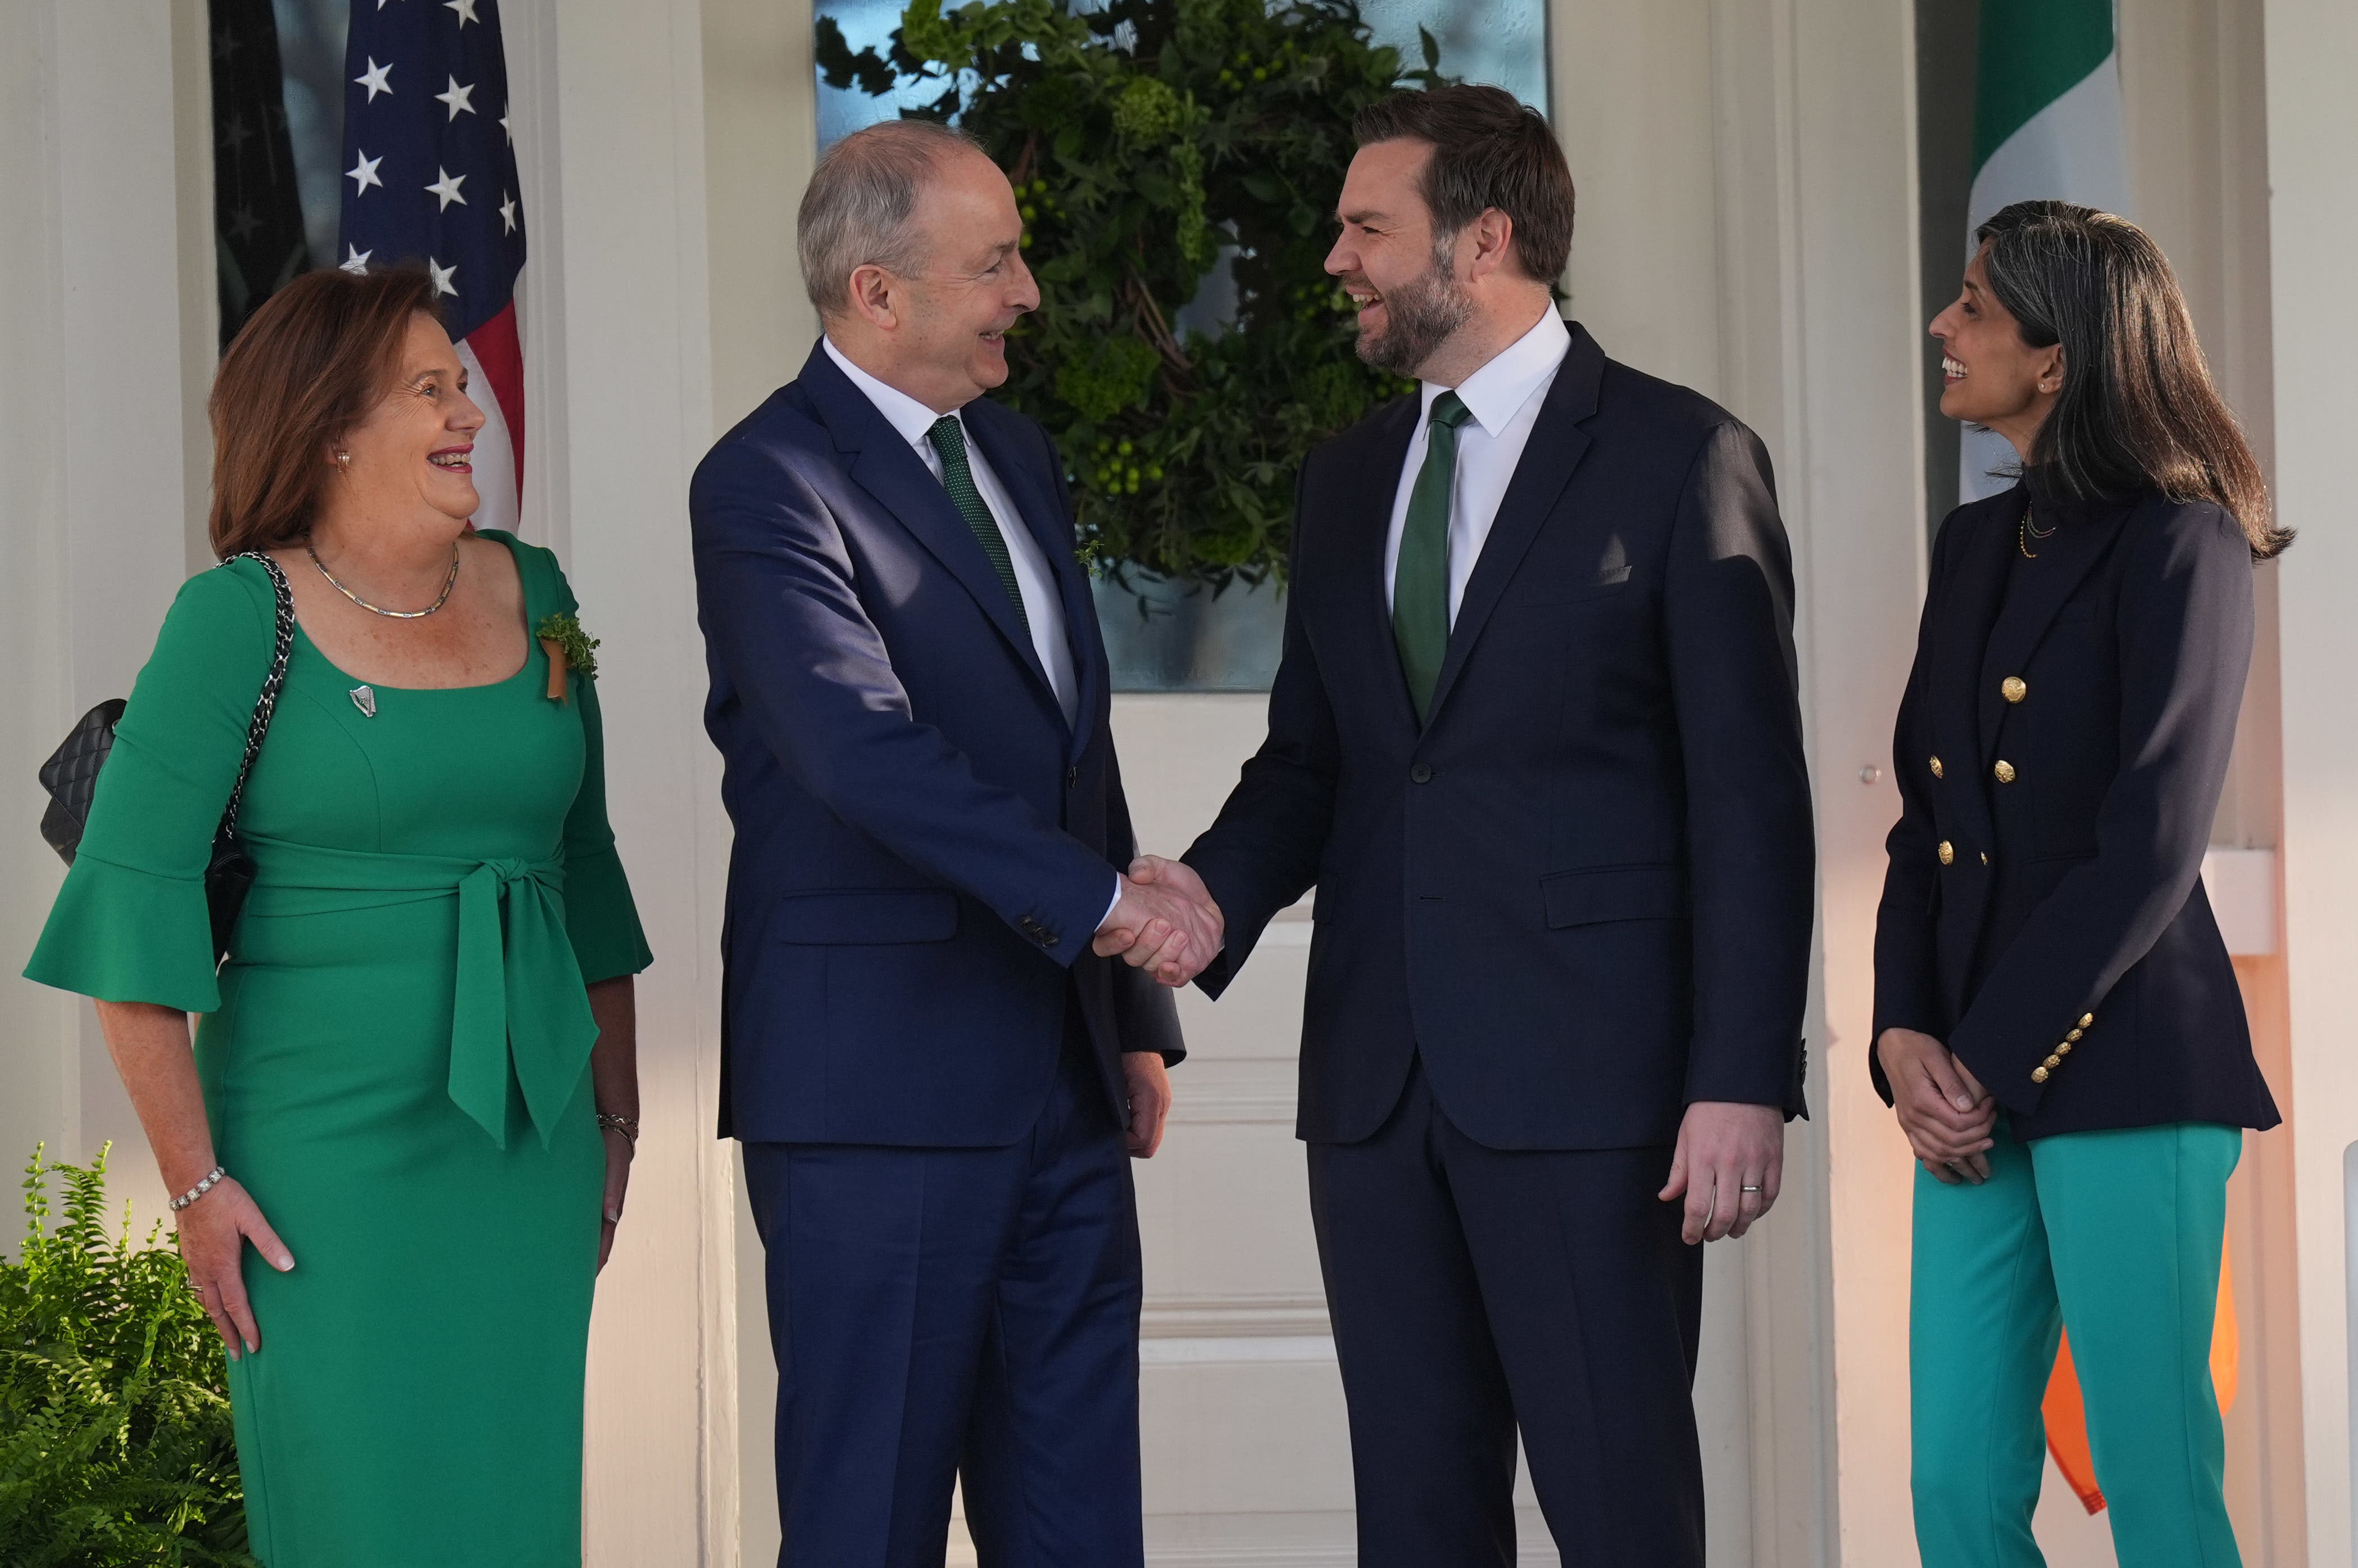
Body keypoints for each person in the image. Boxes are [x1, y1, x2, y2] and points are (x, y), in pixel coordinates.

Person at [1116, 85, 1815, 1565]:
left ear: (1480, 238)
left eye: (1365, 227)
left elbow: (1748, 796)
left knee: (1619, 1508)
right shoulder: (1346, 476)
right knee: (1418, 1520)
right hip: (1375, 1089)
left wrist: (1740, 1073)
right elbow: (1313, 760)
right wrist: (1205, 901)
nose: (1333, 259)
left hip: (1596, 1093)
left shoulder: (1680, 457)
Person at [24, 266, 652, 1566]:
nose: (465, 411)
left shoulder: (537, 594)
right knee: (358, 1515)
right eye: (429, 389)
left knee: (512, 1509)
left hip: (525, 1153)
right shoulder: (231, 619)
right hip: (321, 1170)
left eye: (462, 383)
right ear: (330, 428)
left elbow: (584, 872)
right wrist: (196, 1187)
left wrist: (615, 1118)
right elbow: (129, 925)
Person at [688, 120, 1205, 1568]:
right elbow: (860, 751)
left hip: (1060, 1080)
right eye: (995, 264)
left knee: (1079, 1522)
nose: (1027, 292)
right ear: (876, 293)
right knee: (870, 1526)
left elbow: (1068, 748)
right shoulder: (763, 482)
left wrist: (1130, 1010)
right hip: (873, 1102)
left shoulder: (1016, 457)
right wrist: (1112, 908)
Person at [1876, 201, 2286, 1567]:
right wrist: (1900, 1036)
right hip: (1966, 1091)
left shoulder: (2184, 544)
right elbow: (1921, 827)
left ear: (2055, 359)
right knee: (1951, 1485)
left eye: (1975, 306)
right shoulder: (1972, 548)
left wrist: (1978, 1057)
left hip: (2122, 1073)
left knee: (2157, 1490)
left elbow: (2151, 845)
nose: (1944, 326)